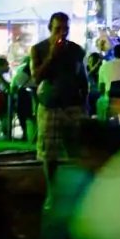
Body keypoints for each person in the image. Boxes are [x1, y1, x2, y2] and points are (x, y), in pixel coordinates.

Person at [31, 12, 88, 208]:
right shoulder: (38, 49)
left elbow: (82, 77)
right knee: (49, 152)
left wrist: (84, 101)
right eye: (58, 29)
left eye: (66, 29)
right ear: (50, 29)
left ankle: (77, 192)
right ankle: (52, 192)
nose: (62, 33)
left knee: (76, 149)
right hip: (50, 103)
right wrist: (51, 56)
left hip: (72, 103)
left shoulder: (76, 50)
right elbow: (37, 77)